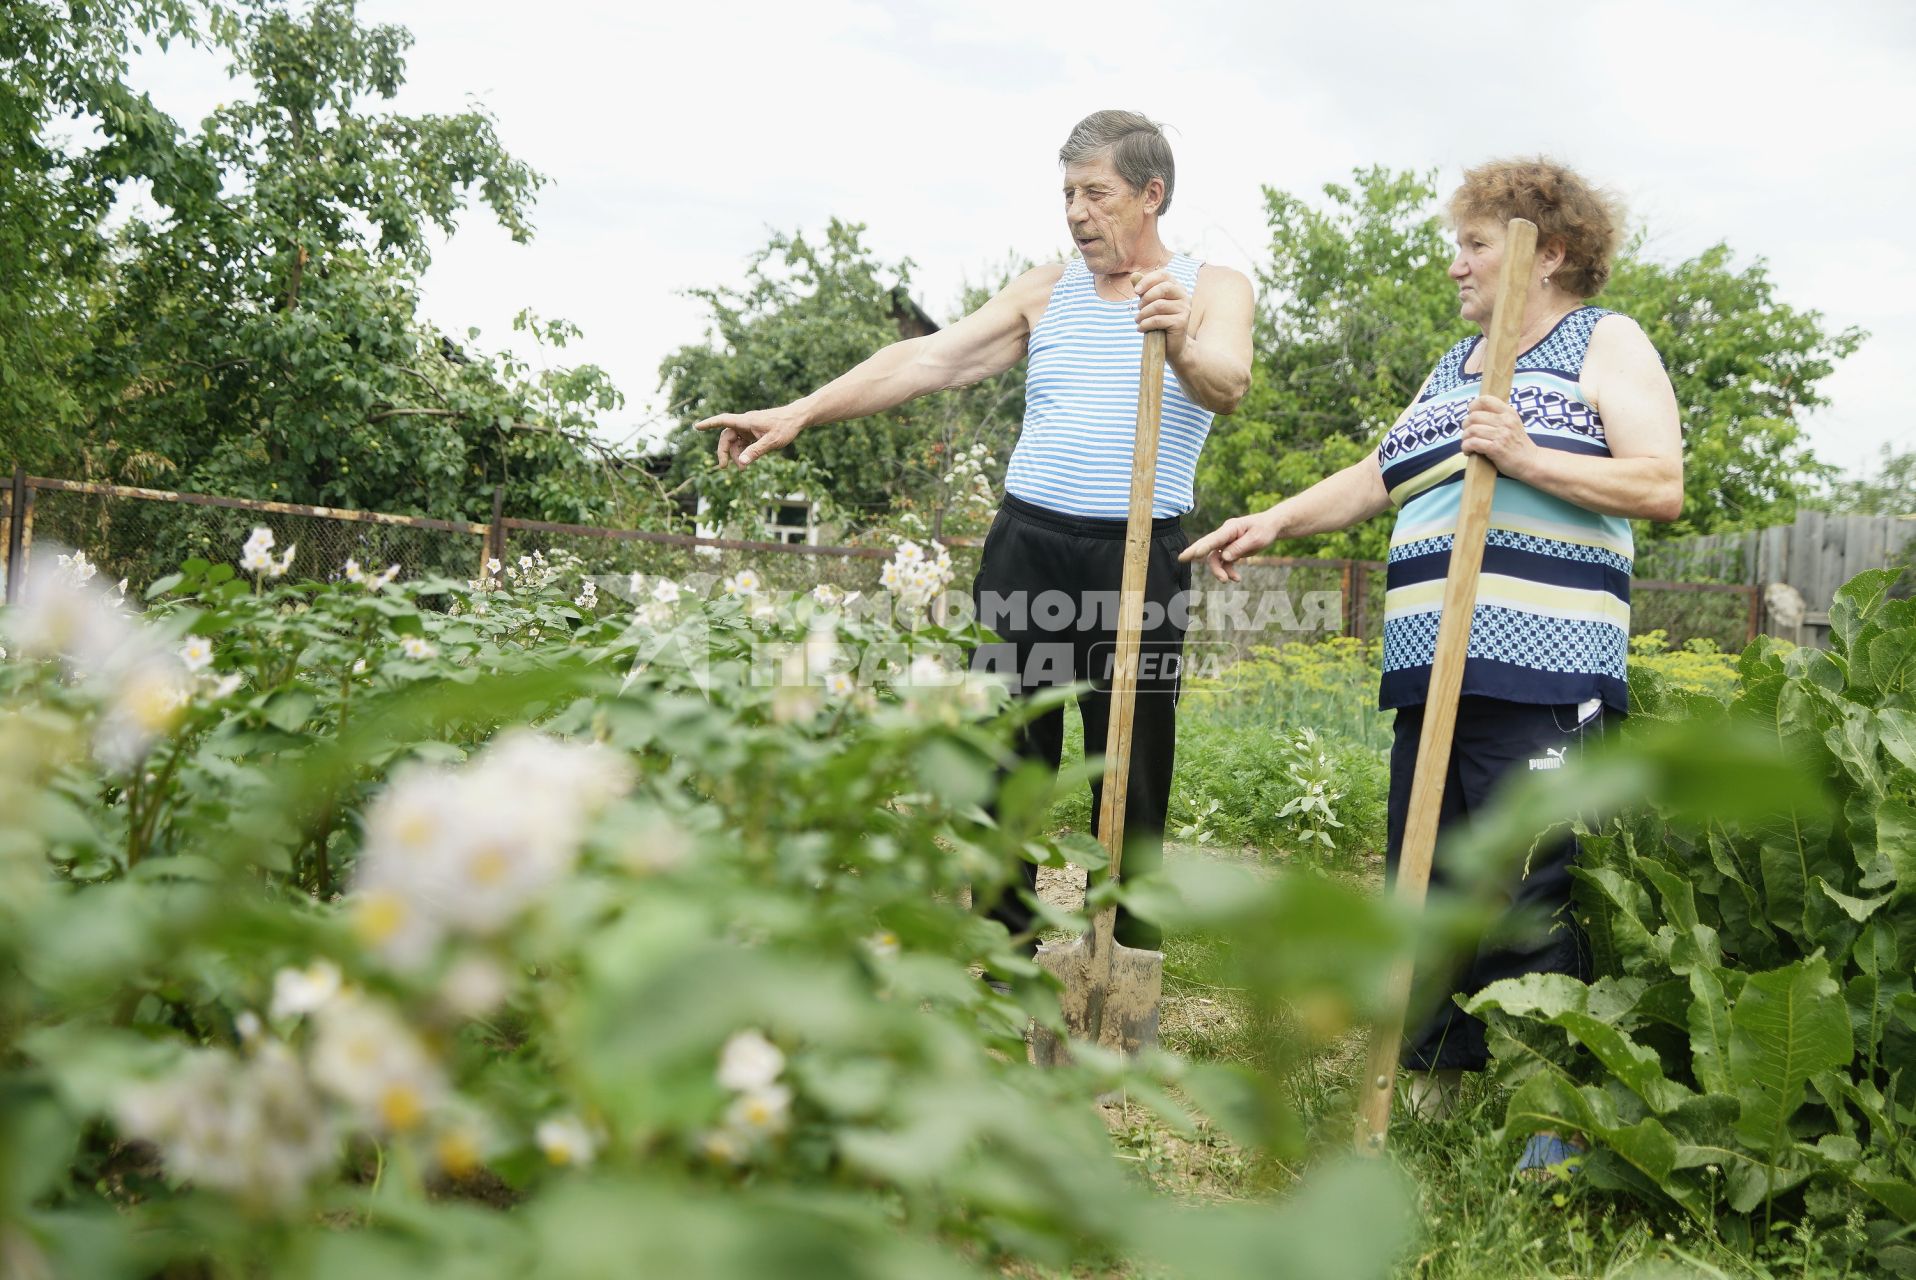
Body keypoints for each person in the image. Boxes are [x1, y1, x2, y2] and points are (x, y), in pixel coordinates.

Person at [1181, 157, 1682, 1173]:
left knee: (1528, 887)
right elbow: (1378, 474)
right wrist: (1272, 518)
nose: (1453, 263)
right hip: (1432, 667)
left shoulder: (1602, 340)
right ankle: (1428, 1096)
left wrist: (1527, 455)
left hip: (1543, 669)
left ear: (1548, 253)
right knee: (1425, 882)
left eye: (1473, 244)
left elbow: (1658, 481)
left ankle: (1550, 1119)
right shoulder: (1455, 364)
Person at [696, 110, 1254, 965]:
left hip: (1137, 552)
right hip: (1028, 545)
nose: (1075, 212)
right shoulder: (1048, 287)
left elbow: (1228, 384)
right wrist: (799, 411)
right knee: (1005, 749)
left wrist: (1177, 334)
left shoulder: (1212, 287)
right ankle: (1006, 944)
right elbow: (926, 360)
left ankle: (1127, 951)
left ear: (1152, 195)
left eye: (1095, 194)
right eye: (1067, 193)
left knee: (1132, 757)